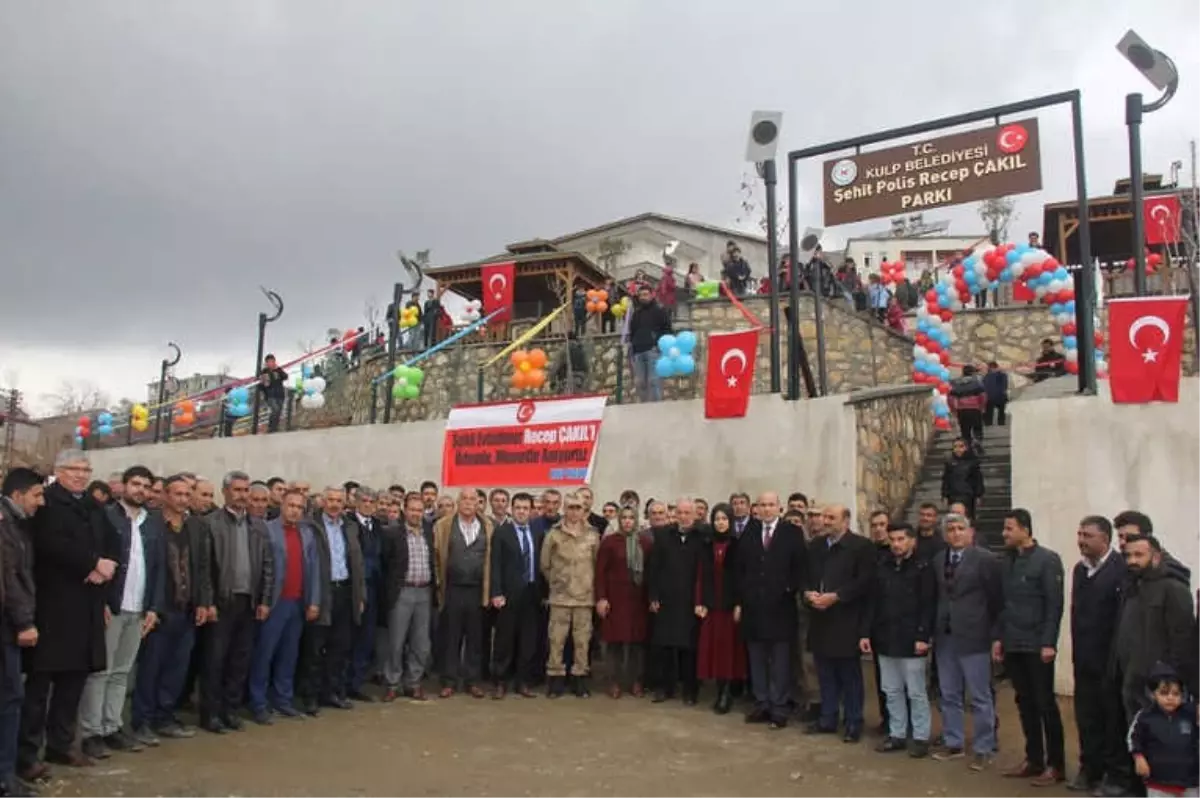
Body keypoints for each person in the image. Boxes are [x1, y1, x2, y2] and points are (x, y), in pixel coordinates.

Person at [19, 450, 117, 780]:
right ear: (58, 471)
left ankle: (61, 744)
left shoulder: (93, 505)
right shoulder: (47, 503)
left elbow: (112, 542)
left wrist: (105, 567)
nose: (79, 474)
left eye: (85, 469)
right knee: (40, 683)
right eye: (73, 469)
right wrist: (90, 564)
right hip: (53, 605)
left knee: (73, 680)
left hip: (87, 604)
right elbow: (49, 545)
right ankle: (28, 752)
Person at [131, 475, 209, 742]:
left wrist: (203, 602)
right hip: (159, 608)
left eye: (187, 495)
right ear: (164, 494)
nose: (183, 500)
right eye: (178, 494)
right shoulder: (150, 524)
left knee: (177, 667)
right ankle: (142, 719)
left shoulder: (196, 527)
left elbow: (202, 567)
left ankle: (165, 716)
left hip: (186, 608)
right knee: (151, 667)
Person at [995, 508, 1066, 786]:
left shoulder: (1047, 560)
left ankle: (1056, 765)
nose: (1004, 533)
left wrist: (1049, 642)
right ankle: (1033, 758)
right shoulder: (1008, 561)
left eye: (1009, 528)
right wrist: (1000, 638)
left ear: (1025, 529)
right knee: (1024, 703)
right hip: (1014, 643)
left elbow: (1054, 604)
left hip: (1037, 645)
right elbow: (1003, 603)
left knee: (1045, 704)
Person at [199, 471, 274, 734]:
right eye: (237, 490)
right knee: (215, 660)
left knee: (240, 660)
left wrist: (264, 600)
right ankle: (211, 714)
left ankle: (230, 710)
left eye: (245, 490)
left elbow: (267, 566)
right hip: (221, 602)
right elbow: (205, 569)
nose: (242, 495)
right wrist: (208, 602)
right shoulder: (211, 524)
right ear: (226, 492)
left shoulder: (258, 526)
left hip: (248, 602)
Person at [931, 513, 1002, 770]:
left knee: (980, 695)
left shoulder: (985, 559)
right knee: (949, 693)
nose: (955, 533)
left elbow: (996, 599)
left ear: (970, 532)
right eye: (950, 529)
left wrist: (995, 635)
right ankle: (954, 742)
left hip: (975, 636)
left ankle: (984, 746)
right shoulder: (939, 560)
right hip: (945, 635)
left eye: (961, 528)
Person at [1067, 515, 1131, 796]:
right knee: (1086, 717)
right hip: (1084, 660)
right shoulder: (1080, 571)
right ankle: (1089, 768)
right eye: (1079, 534)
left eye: (1087, 535)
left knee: (1111, 720)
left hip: (1109, 662)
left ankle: (1113, 773)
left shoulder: (1120, 570)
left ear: (1104, 539)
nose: (1081, 540)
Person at [732, 493, 806, 729]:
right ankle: (762, 702)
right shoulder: (750, 533)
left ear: (779, 508)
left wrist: (788, 588)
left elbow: (800, 568)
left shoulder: (791, 533)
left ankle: (779, 706)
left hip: (780, 608)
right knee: (757, 658)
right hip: (754, 608)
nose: (766, 509)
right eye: (762, 505)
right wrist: (741, 601)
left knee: (780, 661)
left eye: (770, 505)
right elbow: (740, 570)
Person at [861, 522, 935, 758]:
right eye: (893, 540)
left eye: (901, 539)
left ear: (912, 540)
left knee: (916, 691)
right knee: (890, 690)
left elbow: (928, 604)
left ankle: (921, 736)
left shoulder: (924, 567)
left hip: (912, 638)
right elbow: (872, 602)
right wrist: (865, 632)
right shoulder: (882, 565)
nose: (896, 544)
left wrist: (923, 635)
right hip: (885, 636)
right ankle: (897, 733)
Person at [804, 505, 875, 742]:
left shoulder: (861, 547)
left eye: (831, 518)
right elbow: (806, 576)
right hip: (820, 619)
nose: (825, 521)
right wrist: (808, 594)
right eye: (824, 517)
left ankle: (854, 721)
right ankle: (828, 717)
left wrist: (837, 597)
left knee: (849, 675)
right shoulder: (815, 546)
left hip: (846, 620)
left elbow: (864, 582)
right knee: (825, 673)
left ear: (845, 521)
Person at [248, 489, 319, 724]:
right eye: (291, 505)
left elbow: (314, 571)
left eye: (299, 507)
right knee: (265, 653)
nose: (295, 511)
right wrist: (263, 601)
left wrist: (313, 601)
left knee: (289, 654)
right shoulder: (267, 530)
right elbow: (261, 569)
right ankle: (258, 702)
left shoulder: (307, 534)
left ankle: (283, 699)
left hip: (297, 602)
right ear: (281, 505)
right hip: (274, 602)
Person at [1114, 534, 1194, 725]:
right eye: (1128, 556)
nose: (1132, 561)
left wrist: (1170, 685)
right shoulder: (1132, 587)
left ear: (1156, 557)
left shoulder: (1174, 589)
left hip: (1160, 687)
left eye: (1139, 555)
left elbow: (1183, 641)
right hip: (1132, 680)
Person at [299, 487, 366, 714]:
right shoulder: (311, 527)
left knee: (340, 648)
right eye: (331, 500)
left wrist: (360, 596)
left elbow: (358, 565)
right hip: (322, 592)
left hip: (345, 591)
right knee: (315, 648)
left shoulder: (350, 526)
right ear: (322, 501)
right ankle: (311, 696)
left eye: (339, 500)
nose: (335, 504)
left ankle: (333, 692)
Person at [0, 468, 43, 798]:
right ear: (18, 495)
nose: (40, 502)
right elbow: (9, 579)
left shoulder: (16, 525)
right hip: (6, 625)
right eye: (37, 495)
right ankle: (4, 776)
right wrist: (24, 622)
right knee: (9, 698)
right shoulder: (4, 527)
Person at [433, 491, 494, 699]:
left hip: (477, 589)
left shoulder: (488, 526)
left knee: (475, 638)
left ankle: (472, 681)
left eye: (473, 500)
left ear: (479, 504)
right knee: (451, 636)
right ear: (458, 503)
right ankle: (449, 681)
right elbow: (436, 555)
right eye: (465, 499)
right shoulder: (443, 526)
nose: (469, 503)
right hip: (453, 588)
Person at [647, 499, 708, 705]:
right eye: (680, 512)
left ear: (695, 514)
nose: (683, 516)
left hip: (692, 601)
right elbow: (653, 568)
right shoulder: (664, 535)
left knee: (690, 648)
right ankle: (665, 688)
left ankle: (690, 691)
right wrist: (653, 596)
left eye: (687, 513)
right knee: (665, 647)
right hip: (667, 600)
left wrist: (703, 600)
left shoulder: (702, 537)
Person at [540, 492, 600, 698]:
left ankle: (580, 679)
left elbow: (597, 564)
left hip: (584, 598)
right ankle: (555, 680)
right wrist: (558, 582)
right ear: (564, 509)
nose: (574, 512)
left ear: (584, 511)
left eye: (578, 508)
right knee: (556, 640)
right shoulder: (554, 534)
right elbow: (545, 565)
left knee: (582, 641)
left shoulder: (592, 535)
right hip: (560, 597)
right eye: (571, 507)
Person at [381, 492, 435, 702]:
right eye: (412, 509)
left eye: (420, 510)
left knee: (421, 642)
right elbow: (386, 564)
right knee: (396, 640)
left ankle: (413, 683)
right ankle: (392, 683)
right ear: (404, 510)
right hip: (402, 592)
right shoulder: (393, 533)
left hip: (424, 592)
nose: (416, 514)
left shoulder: (429, 532)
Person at [488, 492, 543, 699]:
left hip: (531, 593)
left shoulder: (537, 532)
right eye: (518, 507)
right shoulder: (502, 532)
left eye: (525, 508)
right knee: (504, 639)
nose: (521, 511)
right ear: (511, 509)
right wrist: (496, 592)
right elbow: (495, 565)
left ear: (531, 511)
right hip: (508, 594)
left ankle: (523, 681)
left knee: (527, 640)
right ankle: (500, 682)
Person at [595, 506, 651, 699]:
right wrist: (601, 598)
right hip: (615, 599)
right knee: (614, 643)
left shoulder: (645, 541)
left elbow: (651, 572)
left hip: (638, 600)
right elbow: (600, 572)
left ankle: (636, 681)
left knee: (637, 643)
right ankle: (614, 682)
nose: (627, 521)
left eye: (631, 518)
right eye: (624, 518)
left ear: (636, 520)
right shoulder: (610, 542)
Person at [695, 504, 746, 715]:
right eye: (717, 519)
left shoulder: (738, 545)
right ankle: (719, 690)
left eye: (725, 519)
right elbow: (699, 576)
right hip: (711, 606)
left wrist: (739, 604)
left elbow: (743, 578)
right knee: (714, 651)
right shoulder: (706, 544)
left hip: (729, 607)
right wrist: (699, 602)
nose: (721, 523)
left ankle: (727, 693)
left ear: (731, 521)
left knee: (728, 652)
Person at [1128, 663, 1200, 798]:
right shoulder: (1144, 717)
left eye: (1176, 694)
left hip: (1190, 781)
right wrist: (1138, 757)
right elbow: (1134, 739)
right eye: (1164, 693)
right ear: (1153, 694)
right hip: (1158, 781)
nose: (1170, 698)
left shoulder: (1190, 715)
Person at [347, 488, 383, 702]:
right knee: (349, 637)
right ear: (356, 502)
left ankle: (356, 684)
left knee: (367, 638)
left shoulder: (378, 525)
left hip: (374, 589)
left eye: (372, 501)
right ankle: (341, 683)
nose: (368, 504)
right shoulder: (348, 524)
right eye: (365, 501)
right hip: (354, 588)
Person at [626, 283, 673, 403]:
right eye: (641, 295)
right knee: (640, 383)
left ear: (652, 295)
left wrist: (658, 345)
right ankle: (643, 409)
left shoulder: (659, 311)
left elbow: (667, 329)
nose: (643, 297)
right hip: (638, 352)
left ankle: (656, 410)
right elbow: (632, 331)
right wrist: (633, 347)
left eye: (645, 294)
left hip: (653, 351)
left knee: (654, 381)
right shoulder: (636, 314)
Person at [940, 439, 984, 522]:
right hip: (953, 496)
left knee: (967, 518)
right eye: (955, 447)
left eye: (961, 446)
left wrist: (978, 495)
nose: (958, 449)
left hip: (968, 496)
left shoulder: (973, 463)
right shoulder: (949, 463)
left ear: (966, 448)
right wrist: (944, 495)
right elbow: (946, 480)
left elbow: (978, 479)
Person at [947, 366, 987, 454]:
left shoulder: (956, 384)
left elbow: (950, 398)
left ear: (963, 372)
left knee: (965, 430)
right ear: (973, 373)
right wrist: (982, 407)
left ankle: (968, 447)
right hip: (975, 408)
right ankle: (977, 441)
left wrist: (953, 409)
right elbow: (983, 396)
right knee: (977, 428)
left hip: (962, 410)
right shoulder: (977, 383)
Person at [257, 355, 288, 434]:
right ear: (266, 363)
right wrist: (263, 386)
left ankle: (275, 428)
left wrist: (278, 370)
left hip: (280, 394)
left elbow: (285, 377)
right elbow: (260, 385)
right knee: (275, 409)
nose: (271, 363)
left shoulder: (278, 370)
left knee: (278, 412)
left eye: (272, 361)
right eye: (269, 362)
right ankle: (271, 428)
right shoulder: (264, 372)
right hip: (270, 396)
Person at [982, 362, 1009, 427]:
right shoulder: (1003, 375)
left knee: (989, 411)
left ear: (990, 368)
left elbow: (984, 386)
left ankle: (988, 423)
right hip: (1000, 396)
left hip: (989, 397)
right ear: (996, 367)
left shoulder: (986, 376)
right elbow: (1005, 385)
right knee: (1001, 411)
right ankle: (1001, 422)